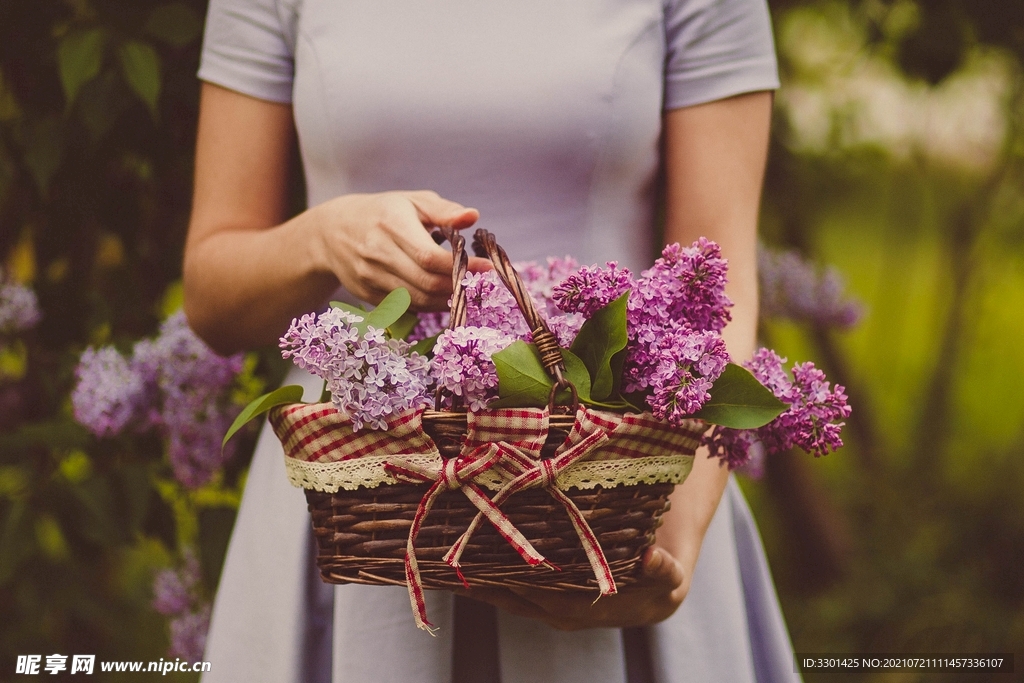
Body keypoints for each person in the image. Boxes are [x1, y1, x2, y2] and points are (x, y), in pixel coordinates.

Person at [182, 0, 799, 681]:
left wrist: (668, 547)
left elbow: (720, 289)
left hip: (613, 491)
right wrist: (321, 239)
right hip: (356, 494)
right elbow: (213, 295)